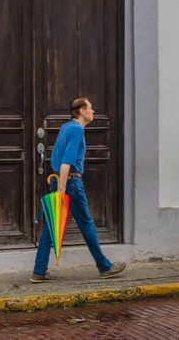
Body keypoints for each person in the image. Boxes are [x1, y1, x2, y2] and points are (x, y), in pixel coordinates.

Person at [30, 96, 127, 283]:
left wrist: (58, 184)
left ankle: (38, 271)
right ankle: (105, 267)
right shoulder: (76, 130)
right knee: (86, 223)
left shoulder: (66, 127)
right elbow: (67, 161)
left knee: (51, 226)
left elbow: (56, 158)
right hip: (70, 182)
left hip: (58, 179)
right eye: (90, 108)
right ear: (82, 111)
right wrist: (62, 188)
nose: (93, 111)